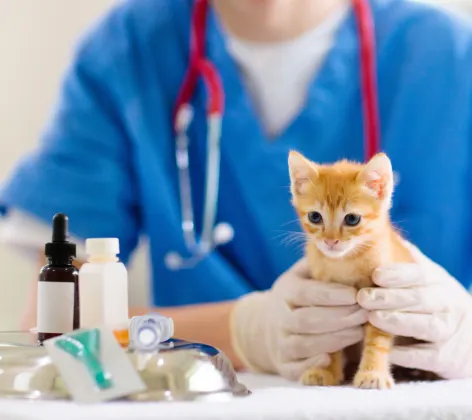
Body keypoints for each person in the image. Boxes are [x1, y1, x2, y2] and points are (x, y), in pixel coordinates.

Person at [1, 0, 472, 381]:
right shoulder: (128, 51)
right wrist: (244, 332)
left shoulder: (450, 57)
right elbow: (54, 326)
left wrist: (465, 334)